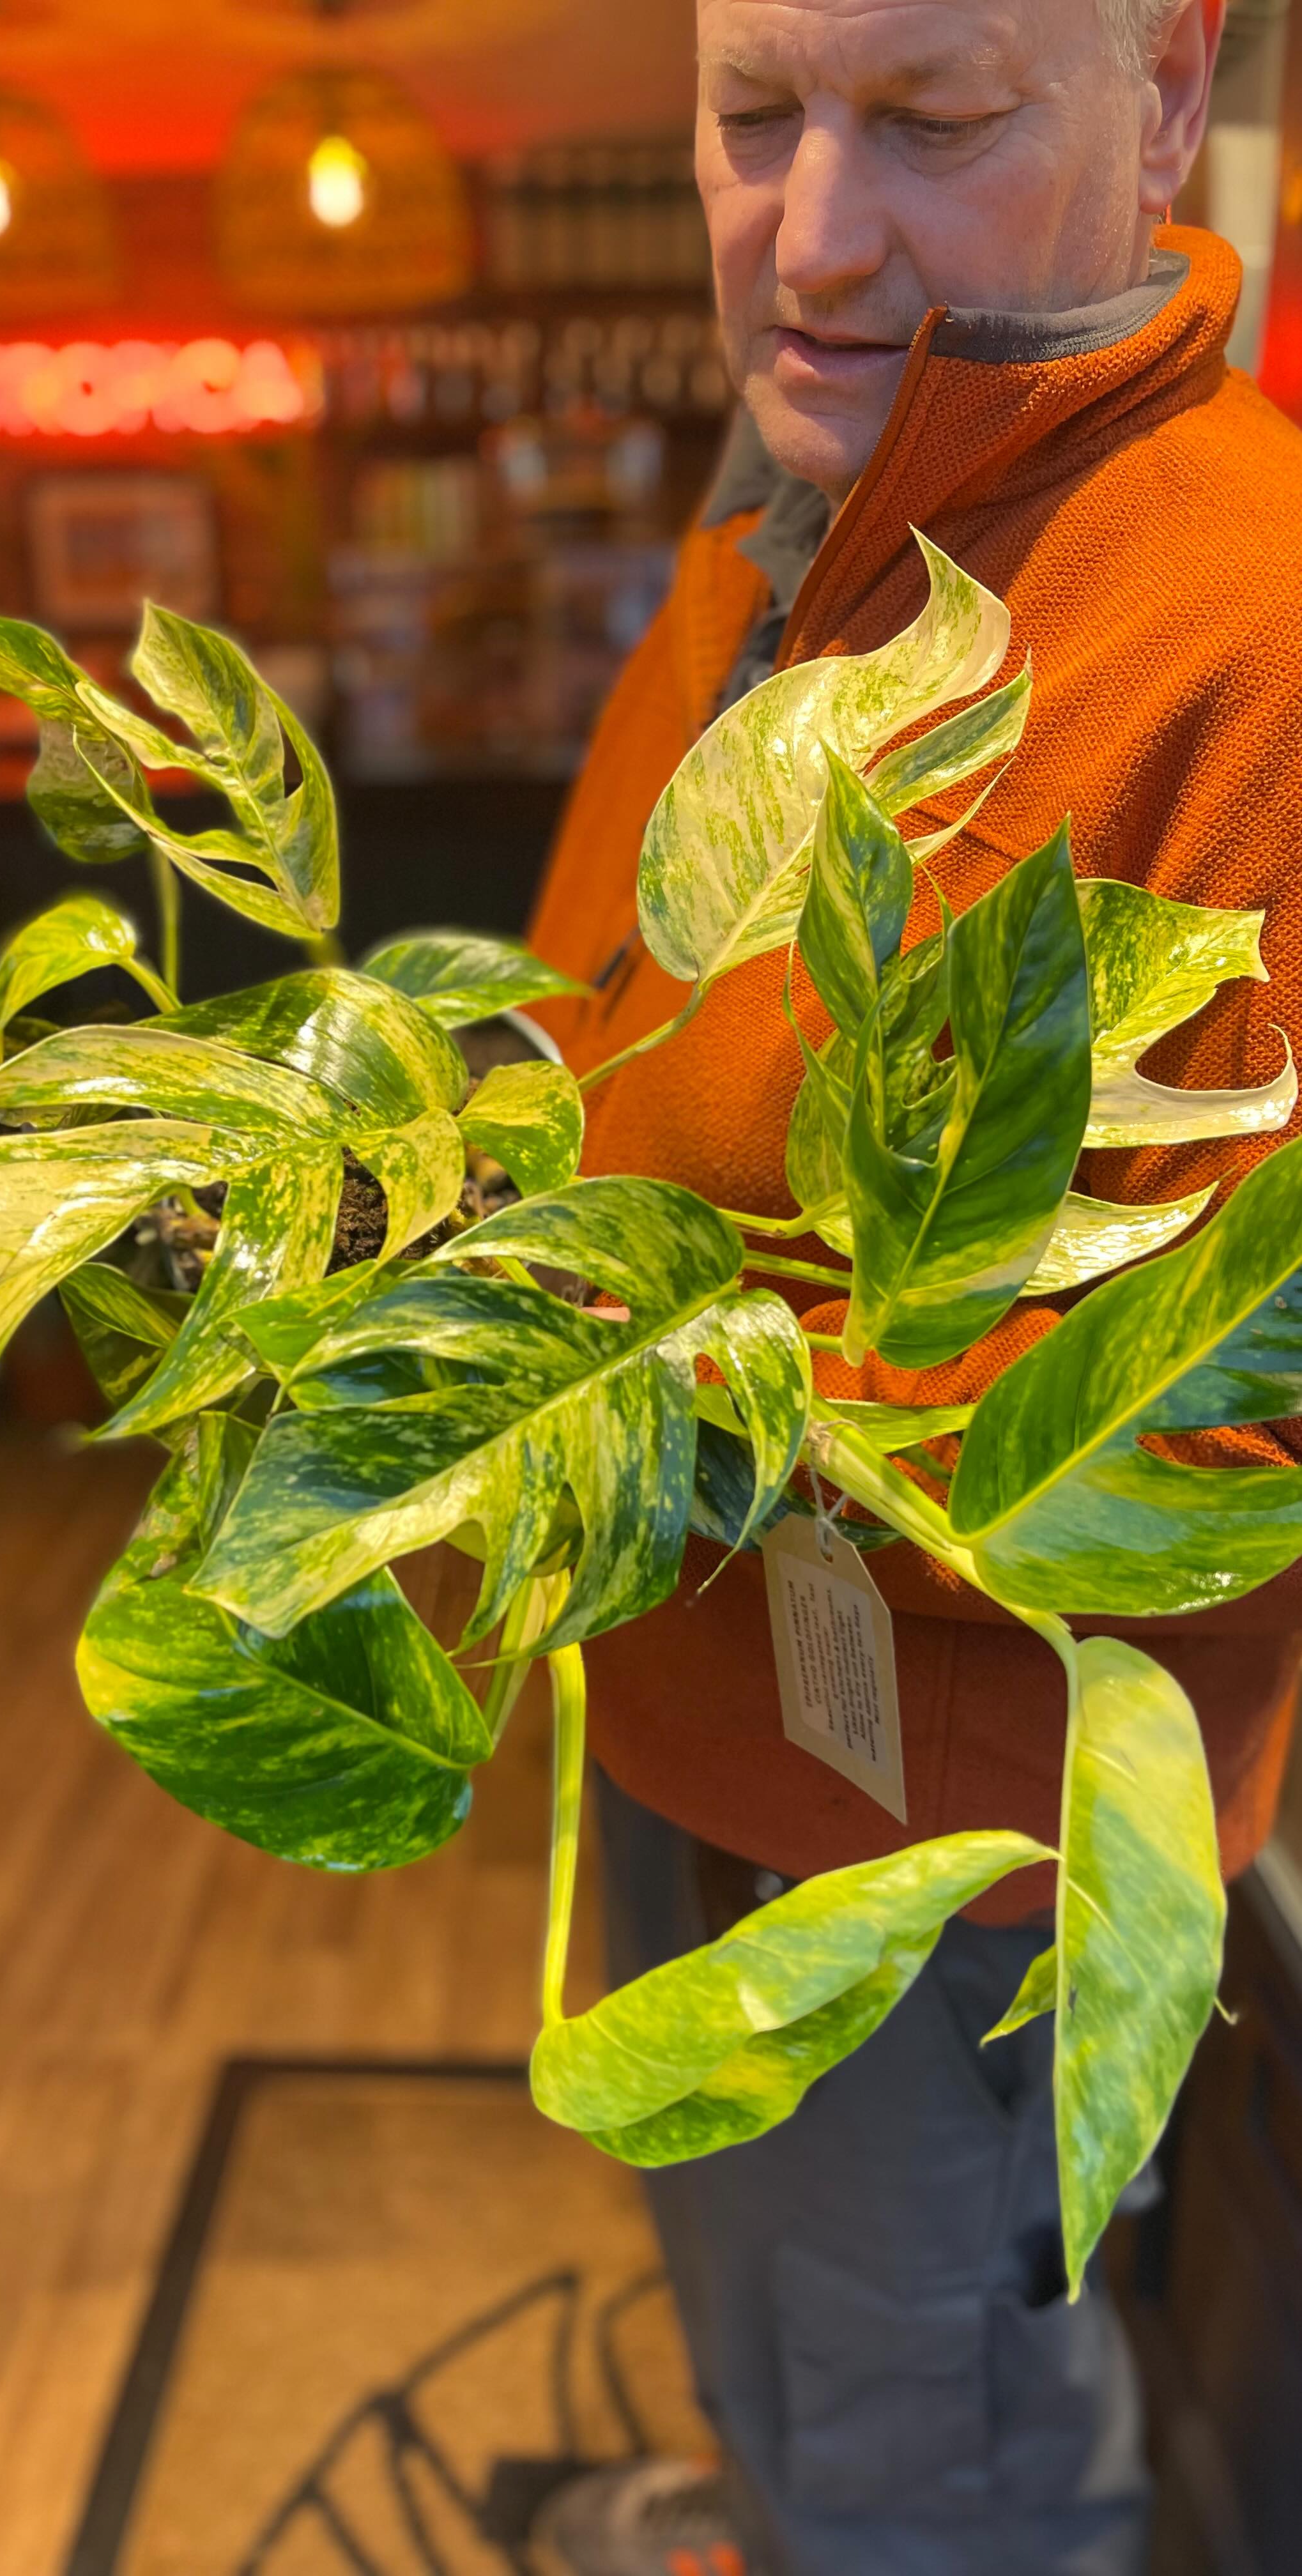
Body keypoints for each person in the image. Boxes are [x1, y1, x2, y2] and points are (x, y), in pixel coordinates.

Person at [524, 4, 1302, 2572]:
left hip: (943, 1878)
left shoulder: (1252, 637)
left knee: (938, 2470)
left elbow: (1230, 1431)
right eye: (752, 119)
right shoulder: (784, 508)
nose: (814, 240)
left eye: (934, 123)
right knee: (797, 2384)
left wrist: (695, 1392)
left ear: (1161, 97)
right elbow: (595, 1016)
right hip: (682, 1733)